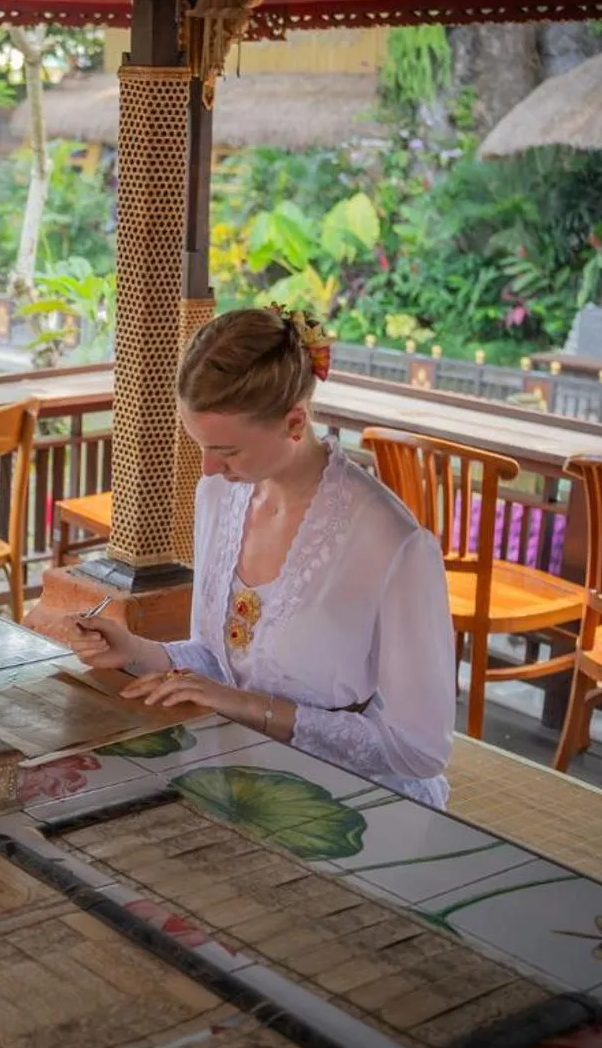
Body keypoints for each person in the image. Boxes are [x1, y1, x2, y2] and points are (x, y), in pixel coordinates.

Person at [72, 307, 456, 807]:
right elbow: (218, 662)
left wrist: (249, 707)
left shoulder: (391, 541)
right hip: (239, 772)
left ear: (295, 422)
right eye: (202, 446)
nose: (209, 466)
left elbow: (418, 750)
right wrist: (140, 653)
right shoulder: (222, 495)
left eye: (227, 451)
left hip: (355, 802)